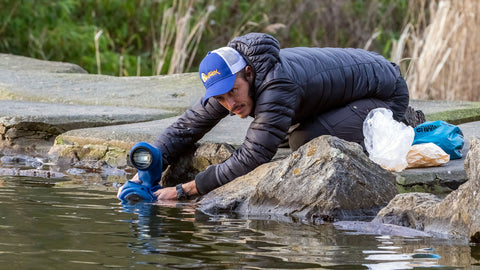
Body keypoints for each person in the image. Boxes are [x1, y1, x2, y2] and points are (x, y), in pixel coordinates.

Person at [129, 32, 409, 201]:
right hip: (345, 93)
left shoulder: (277, 85)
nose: (229, 104)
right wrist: (147, 166)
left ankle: (406, 120)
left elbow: (254, 155)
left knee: (303, 141)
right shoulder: (233, 82)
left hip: (387, 94)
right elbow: (187, 127)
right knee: (281, 132)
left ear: (248, 73)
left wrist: (185, 190)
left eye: (232, 92)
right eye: (220, 98)